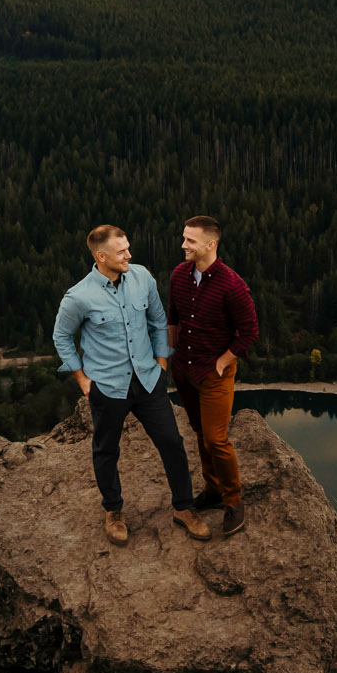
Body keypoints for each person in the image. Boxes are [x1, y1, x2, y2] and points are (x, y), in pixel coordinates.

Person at [52, 224, 212, 546]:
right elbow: (61, 337)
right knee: (106, 450)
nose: (129, 254)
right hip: (108, 388)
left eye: (127, 247)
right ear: (101, 256)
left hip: (148, 380)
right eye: (121, 250)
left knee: (172, 442)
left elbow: (157, 320)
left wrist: (162, 362)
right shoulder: (79, 297)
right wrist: (83, 380)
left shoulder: (142, 278)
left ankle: (184, 507)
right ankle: (113, 510)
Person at [168, 215, 260, 536]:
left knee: (216, 439)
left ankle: (234, 500)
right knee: (199, 433)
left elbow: (249, 331)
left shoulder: (232, 285)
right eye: (184, 238)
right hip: (185, 371)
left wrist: (223, 362)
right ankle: (213, 489)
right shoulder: (179, 275)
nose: (183, 245)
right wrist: (171, 354)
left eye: (190, 240)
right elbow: (173, 317)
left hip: (214, 374)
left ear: (211, 244)